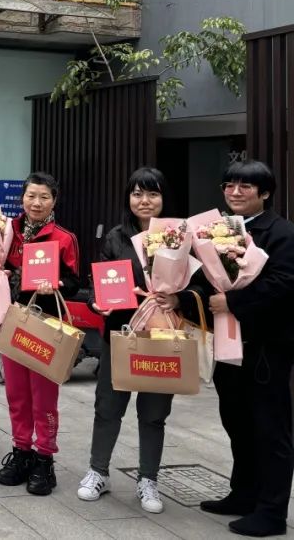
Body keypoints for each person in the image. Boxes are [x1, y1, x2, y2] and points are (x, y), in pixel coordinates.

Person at [77, 167, 212, 514]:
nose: (144, 201)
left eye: (152, 193)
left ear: (164, 198)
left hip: (163, 337)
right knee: (108, 407)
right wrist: (96, 302)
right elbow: (98, 283)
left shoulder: (181, 237)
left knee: (153, 413)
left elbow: (203, 285)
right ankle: (98, 471)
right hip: (121, 335)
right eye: (137, 193)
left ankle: (148, 479)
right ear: (128, 198)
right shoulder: (116, 237)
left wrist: (178, 298)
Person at [204, 160, 294, 537]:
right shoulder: (221, 230)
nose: (235, 192)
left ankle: (272, 512)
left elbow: (284, 283)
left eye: (245, 186)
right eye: (229, 185)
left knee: (271, 430)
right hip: (229, 345)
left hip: (266, 348)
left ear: (265, 192)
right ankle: (243, 494)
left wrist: (233, 302)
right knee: (237, 422)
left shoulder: (282, 232)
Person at [0, 171, 80, 496]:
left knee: (44, 398)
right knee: (17, 395)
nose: (36, 202)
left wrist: (56, 284)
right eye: (31, 195)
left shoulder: (64, 238)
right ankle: (21, 452)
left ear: (54, 201)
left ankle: (44, 458)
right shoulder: (8, 232)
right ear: (22, 198)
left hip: (45, 325)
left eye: (44, 197)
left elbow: (74, 283)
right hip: (13, 322)